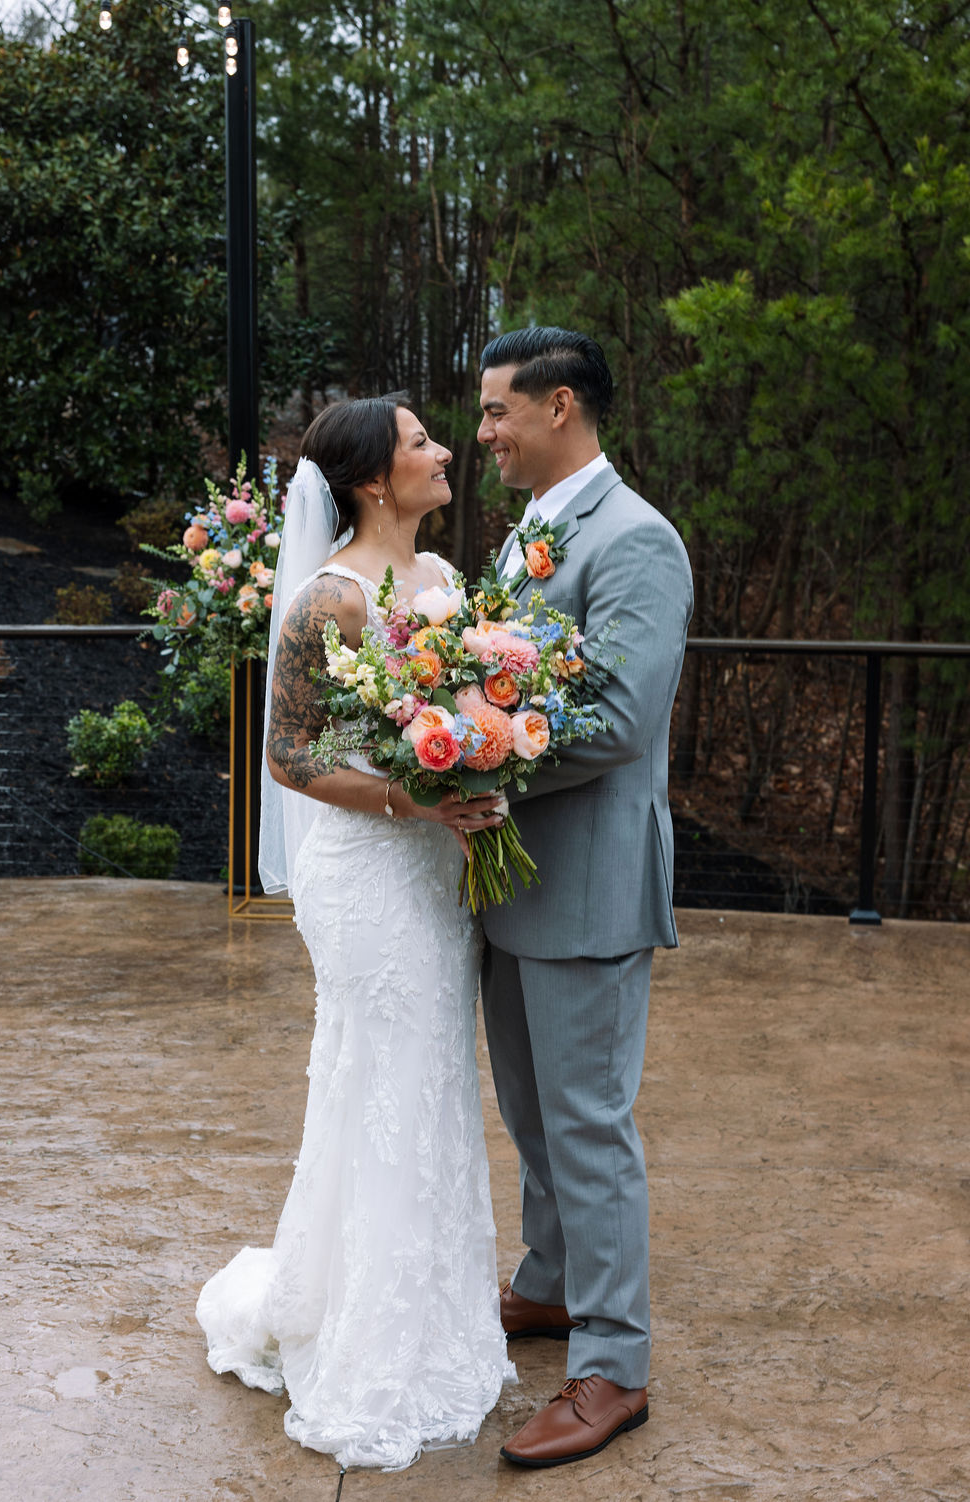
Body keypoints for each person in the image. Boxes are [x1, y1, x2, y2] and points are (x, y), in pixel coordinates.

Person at [195, 396, 513, 1472]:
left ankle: (430, 1317)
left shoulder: (448, 585)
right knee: (382, 1067)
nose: (443, 452)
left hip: (432, 865)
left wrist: (484, 762)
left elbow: (466, 710)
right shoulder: (326, 599)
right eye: (421, 442)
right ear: (375, 478)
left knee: (428, 1075)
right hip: (365, 866)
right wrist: (412, 803)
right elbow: (287, 757)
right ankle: (369, 1342)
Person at [476, 328, 693, 1468]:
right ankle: (553, 1286)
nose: (483, 434)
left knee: (590, 1127)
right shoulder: (529, 536)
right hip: (513, 881)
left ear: (560, 406)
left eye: (497, 411)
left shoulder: (638, 540)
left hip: (591, 884)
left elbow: (612, 719)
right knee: (532, 1112)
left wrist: (463, 753)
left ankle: (612, 1364)